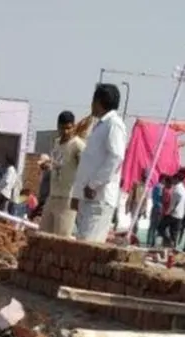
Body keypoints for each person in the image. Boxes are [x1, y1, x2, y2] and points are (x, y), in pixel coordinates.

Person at [71, 84, 128, 243]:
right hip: (88, 197)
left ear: (99, 101)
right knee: (82, 241)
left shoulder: (114, 124)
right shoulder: (101, 125)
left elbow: (116, 157)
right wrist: (78, 194)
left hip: (99, 197)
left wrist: (94, 184)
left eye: (93, 100)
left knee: (89, 243)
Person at [40, 111, 86, 237]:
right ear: (58, 126)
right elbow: (57, 163)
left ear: (73, 127)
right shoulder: (56, 143)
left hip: (67, 199)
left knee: (61, 238)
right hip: (53, 195)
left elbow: (85, 168)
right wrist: (48, 165)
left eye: (68, 128)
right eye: (62, 128)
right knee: (43, 235)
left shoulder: (77, 145)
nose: (65, 131)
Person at [158, 171, 185, 247]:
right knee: (174, 233)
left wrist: (168, 212)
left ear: (177, 179)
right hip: (180, 215)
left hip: (173, 214)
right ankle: (172, 248)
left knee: (160, 228)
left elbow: (174, 204)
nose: (173, 181)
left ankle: (168, 241)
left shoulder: (176, 190)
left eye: (174, 179)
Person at [146, 176, 167, 247]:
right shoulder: (160, 188)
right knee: (157, 227)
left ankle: (149, 241)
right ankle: (152, 242)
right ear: (163, 180)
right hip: (159, 209)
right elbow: (162, 199)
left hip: (155, 207)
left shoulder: (155, 187)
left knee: (152, 226)